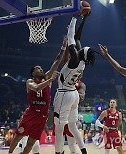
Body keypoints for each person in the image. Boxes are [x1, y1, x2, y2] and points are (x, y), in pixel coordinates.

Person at [8, 36, 68, 154]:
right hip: (31, 113)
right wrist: (50, 80)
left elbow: (56, 61)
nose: (40, 69)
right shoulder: (30, 82)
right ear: (33, 73)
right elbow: (36, 88)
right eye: (37, 68)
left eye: (41, 68)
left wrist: (63, 47)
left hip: (42, 116)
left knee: (31, 142)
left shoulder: (46, 78)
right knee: (18, 136)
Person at [53, 12, 95, 154]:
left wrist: (74, 18)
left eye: (84, 48)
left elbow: (72, 36)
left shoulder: (75, 59)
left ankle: (58, 153)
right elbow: (77, 37)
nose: (82, 46)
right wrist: (85, 19)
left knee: (59, 128)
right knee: (73, 127)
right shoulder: (82, 62)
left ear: (82, 52)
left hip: (64, 94)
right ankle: (83, 151)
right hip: (73, 94)